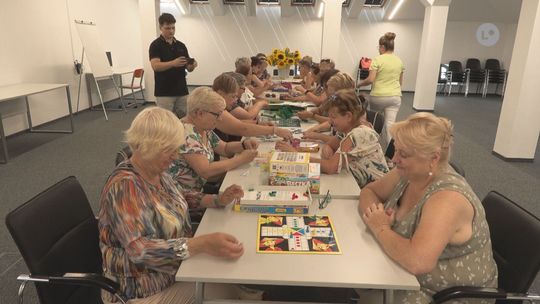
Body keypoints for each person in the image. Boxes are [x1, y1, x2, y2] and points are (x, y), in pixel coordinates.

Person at [99, 107, 247, 303]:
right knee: (221, 291)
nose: (176, 156)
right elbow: (140, 250)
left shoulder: (154, 171)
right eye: (169, 151)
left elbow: (181, 195)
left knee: (226, 275)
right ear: (146, 146)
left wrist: (217, 200)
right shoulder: (125, 186)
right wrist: (201, 244)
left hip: (172, 270)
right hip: (140, 289)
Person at [358, 112, 497, 303]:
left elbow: (417, 261)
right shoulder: (409, 173)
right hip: (402, 275)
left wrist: (380, 227)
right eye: (396, 150)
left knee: (358, 282)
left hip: (442, 294)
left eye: (403, 154)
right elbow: (369, 191)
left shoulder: (448, 199)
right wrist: (376, 215)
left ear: (433, 159)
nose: (394, 159)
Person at [280, 89, 388, 188]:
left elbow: (330, 167)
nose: (330, 121)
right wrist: (329, 148)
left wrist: (296, 155)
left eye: (333, 117)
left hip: (376, 193)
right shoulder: (346, 130)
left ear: (348, 116)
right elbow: (331, 144)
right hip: (356, 185)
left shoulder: (358, 134)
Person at [169, 86, 259, 192]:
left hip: (198, 191)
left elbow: (224, 148)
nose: (220, 119)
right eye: (217, 114)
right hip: (186, 198)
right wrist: (241, 159)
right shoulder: (187, 135)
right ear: (199, 113)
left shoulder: (202, 128)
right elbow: (206, 170)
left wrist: (243, 145)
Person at [211, 73, 293, 142]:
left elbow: (237, 122)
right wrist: (274, 130)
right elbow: (242, 128)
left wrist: (258, 124)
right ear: (220, 93)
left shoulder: (218, 105)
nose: (235, 100)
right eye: (233, 97)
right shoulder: (214, 108)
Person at [357, 32, 404, 149]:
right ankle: (390, 156)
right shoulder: (399, 61)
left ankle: (371, 148)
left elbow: (370, 79)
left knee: (374, 124)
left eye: (379, 47)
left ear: (383, 47)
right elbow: (400, 82)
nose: (379, 49)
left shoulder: (377, 60)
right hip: (395, 97)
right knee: (390, 127)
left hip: (378, 97)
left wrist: (359, 84)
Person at [149, 13, 197, 118]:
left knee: (185, 119)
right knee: (165, 123)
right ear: (160, 27)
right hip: (164, 92)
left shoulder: (181, 45)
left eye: (173, 28)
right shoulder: (155, 45)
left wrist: (192, 65)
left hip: (182, 90)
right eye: (167, 28)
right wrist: (173, 63)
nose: (171, 31)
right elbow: (155, 66)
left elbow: (188, 68)